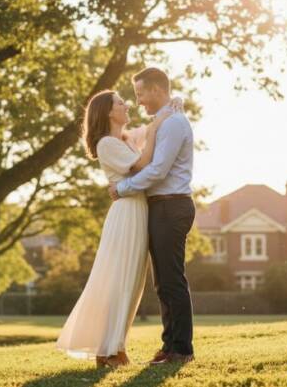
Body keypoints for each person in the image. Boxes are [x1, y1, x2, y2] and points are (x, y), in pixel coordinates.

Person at [55, 88, 180, 368]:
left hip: (137, 212)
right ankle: (108, 350)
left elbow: (145, 131)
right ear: (109, 111)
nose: (128, 106)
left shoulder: (122, 139)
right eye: (121, 102)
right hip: (126, 214)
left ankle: (116, 347)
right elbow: (142, 163)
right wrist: (158, 124)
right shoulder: (106, 144)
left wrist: (169, 108)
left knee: (132, 283)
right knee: (120, 281)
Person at [109, 67, 195, 365]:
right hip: (162, 207)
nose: (139, 101)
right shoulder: (163, 122)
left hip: (171, 206)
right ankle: (170, 345)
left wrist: (123, 188)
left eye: (141, 93)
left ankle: (181, 349)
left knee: (171, 280)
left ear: (158, 90)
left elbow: (158, 171)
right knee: (164, 282)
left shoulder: (172, 125)